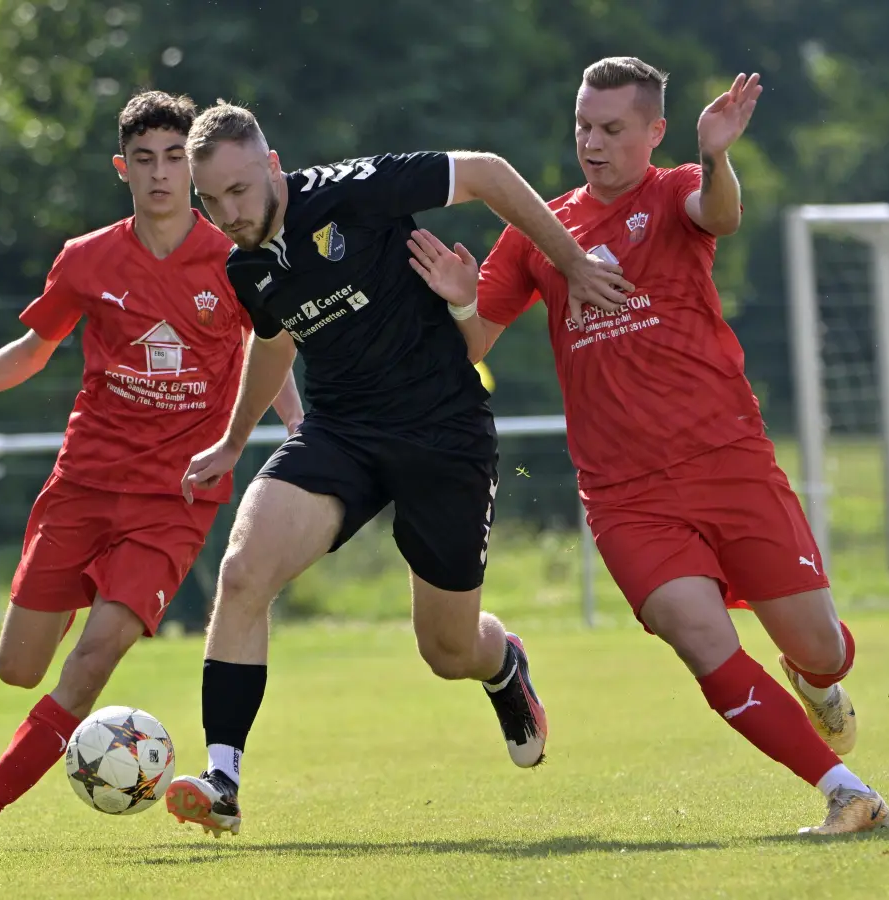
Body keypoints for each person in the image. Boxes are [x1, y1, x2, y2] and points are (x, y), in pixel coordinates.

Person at [410, 56, 889, 835]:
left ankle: (820, 682)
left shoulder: (672, 194)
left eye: (611, 129)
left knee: (820, 646)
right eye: (582, 128)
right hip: (626, 495)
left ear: (653, 132)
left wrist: (717, 154)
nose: (592, 144)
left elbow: (721, 213)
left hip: (728, 462)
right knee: (701, 640)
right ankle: (845, 791)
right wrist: (462, 302)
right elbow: (472, 346)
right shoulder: (539, 227)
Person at [162, 101, 631, 838]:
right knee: (244, 571)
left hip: (443, 434)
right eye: (211, 200)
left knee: (448, 651)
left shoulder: (352, 190)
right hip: (342, 433)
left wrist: (570, 261)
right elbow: (275, 339)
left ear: (272, 164)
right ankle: (223, 778)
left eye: (240, 191)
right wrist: (231, 441)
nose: (228, 212)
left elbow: (485, 172)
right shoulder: (245, 263)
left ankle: (502, 664)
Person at [0, 91, 302, 853]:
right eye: (145, 160)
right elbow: (35, 348)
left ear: (189, 171)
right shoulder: (87, 258)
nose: (160, 175)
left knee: (94, 659)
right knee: (17, 668)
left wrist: (301, 427)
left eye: (173, 159)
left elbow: (269, 347)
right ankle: (67, 632)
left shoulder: (232, 257)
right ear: (120, 168)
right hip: (84, 484)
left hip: (175, 498)